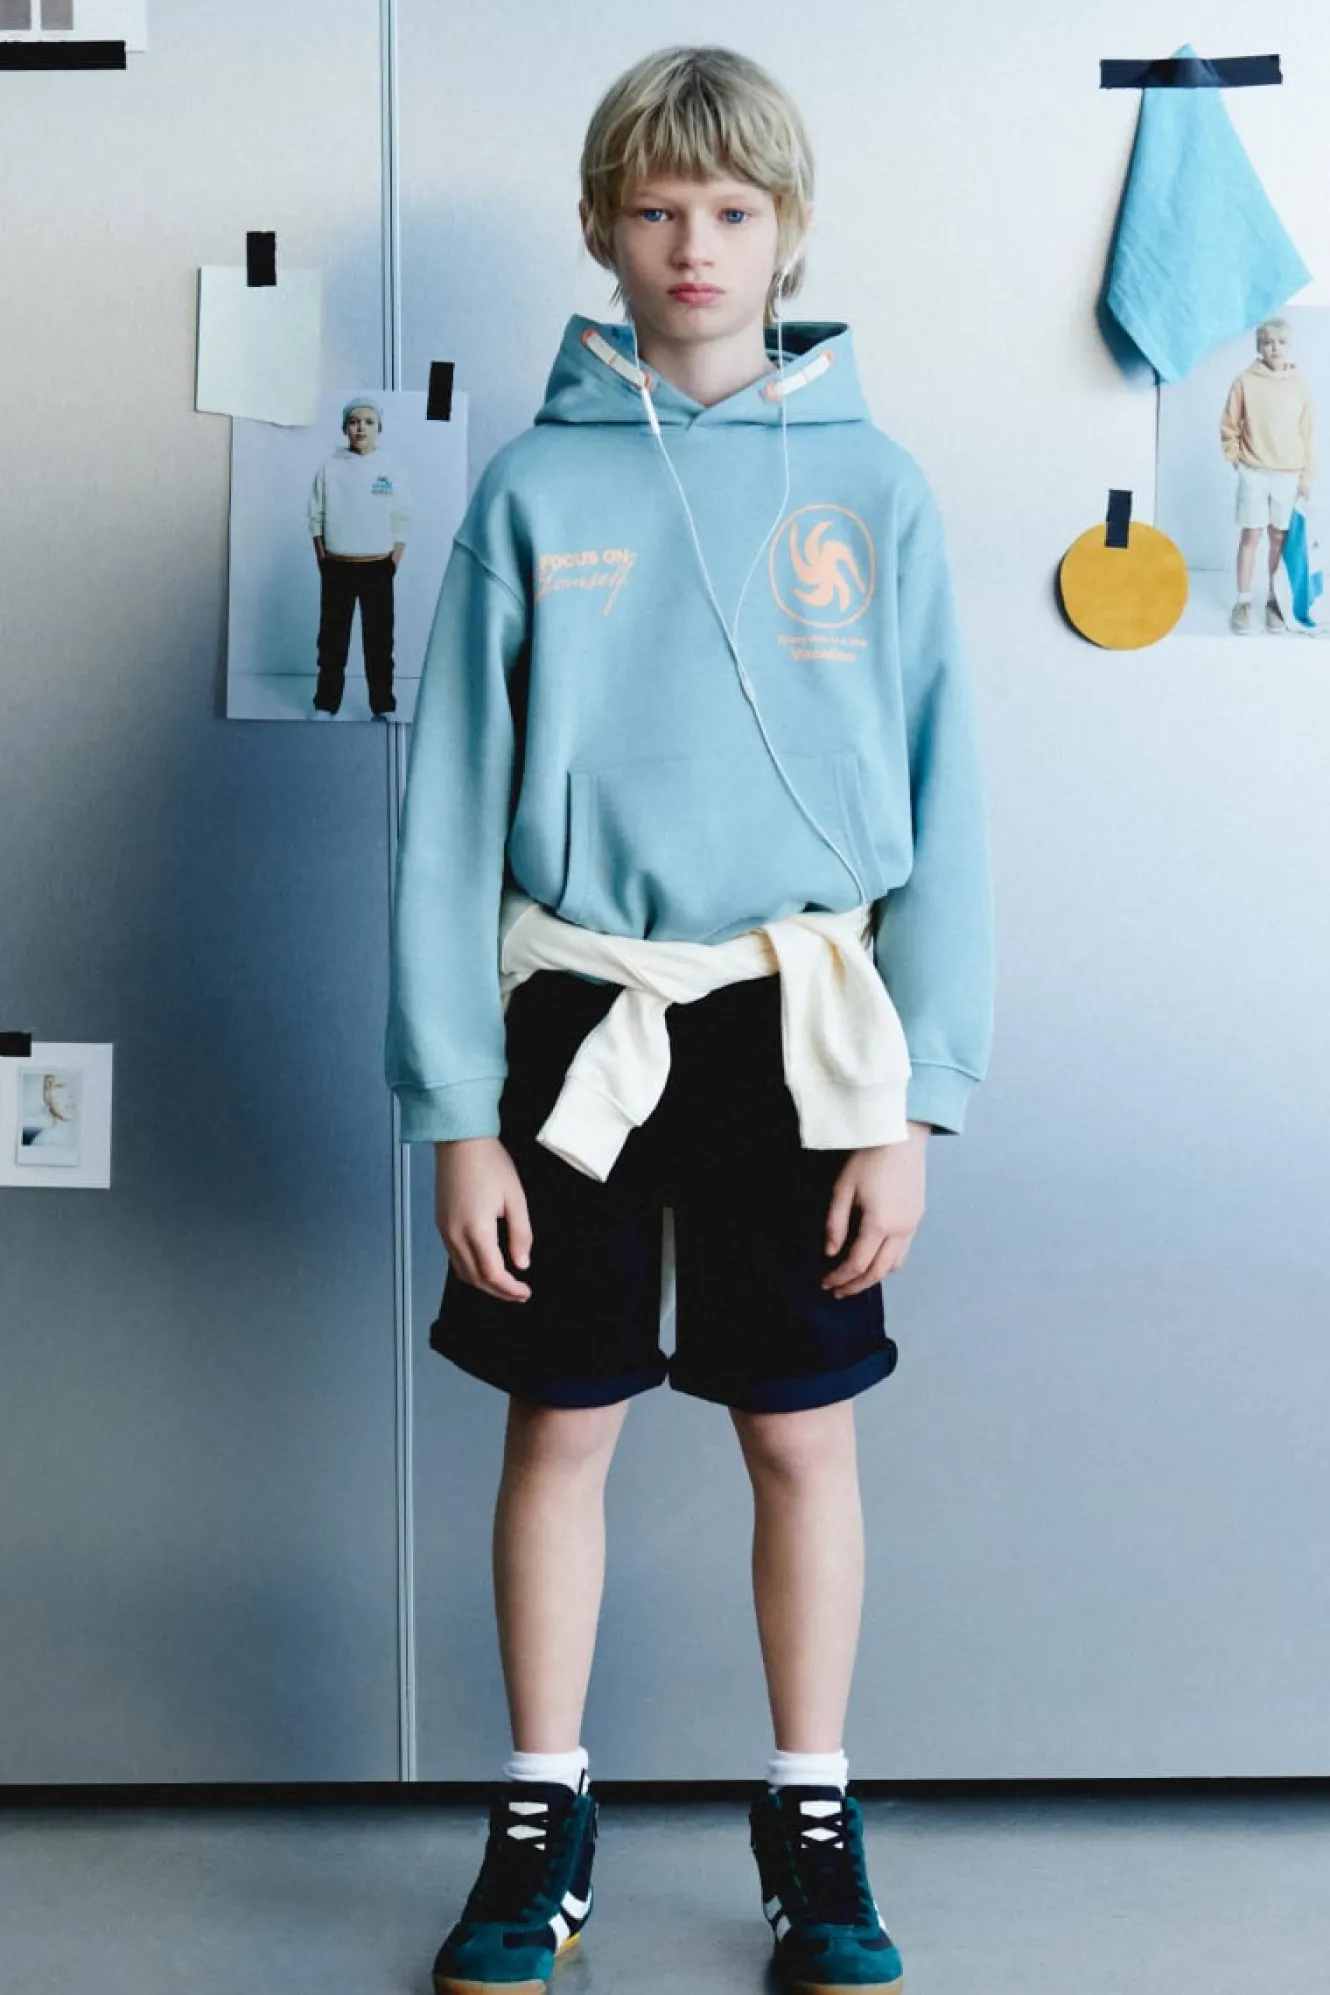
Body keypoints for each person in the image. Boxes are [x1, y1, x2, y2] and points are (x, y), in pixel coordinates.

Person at [386, 44, 994, 1995]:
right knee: (558, 1423)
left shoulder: (877, 489)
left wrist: (913, 1096)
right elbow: (446, 821)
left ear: (786, 228)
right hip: (580, 1016)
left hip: (803, 1028)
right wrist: (454, 1110)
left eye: (731, 210)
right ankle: (537, 1812)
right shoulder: (531, 487)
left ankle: (810, 1815)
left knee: (797, 1434)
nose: (693, 246)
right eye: (655, 210)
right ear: (603, 229)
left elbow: (949, 807)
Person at [307, 397, 412, 718]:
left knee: (379, 643)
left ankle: (383, 705)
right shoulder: (330, 468)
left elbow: (402, 518)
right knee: (332, 641)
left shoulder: (390, 469)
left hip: (378, 567)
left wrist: (392, 561)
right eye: (353, 422)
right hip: (338, 567)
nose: (361, 428)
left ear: (379, 428)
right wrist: (323, 559)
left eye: (368, 422)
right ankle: (326, 704)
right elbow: (316, 517)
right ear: (344, 429)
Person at [1220, 317, 1315, 635]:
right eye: (1268, 342)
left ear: (1290, 346)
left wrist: (1306, 477)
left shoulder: (1299, 385)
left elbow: (1307, 435)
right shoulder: (1244, 381)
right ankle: (1243, 601)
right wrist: (1237, 460)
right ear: (1260, 346)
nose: (1275, 348)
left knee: (1279, 538)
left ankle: (1274, 600)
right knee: (1251, 535)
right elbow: (1229, 425)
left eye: (1281, 342)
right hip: (1254, 472)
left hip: (1288, 475)